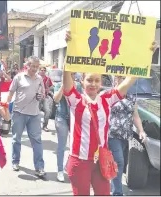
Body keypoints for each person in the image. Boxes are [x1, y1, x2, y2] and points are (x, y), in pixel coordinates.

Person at [63, 31, 157, 195]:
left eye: (97, 80)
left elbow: (130, 79)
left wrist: (146, 56)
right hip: (80, 162)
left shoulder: (106, 99)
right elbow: (66, 80)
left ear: (101, 83)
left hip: (101, 161)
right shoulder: (75, 100)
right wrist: (69, 50)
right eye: (89, 80)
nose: (93, 84)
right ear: (82, 81)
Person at [6, 56, 46, 177]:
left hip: (34, 114)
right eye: (32, 66)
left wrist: (41, 96)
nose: (34, 68)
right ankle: (15, 161)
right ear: (27, 66)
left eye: (36, 66)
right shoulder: (18, 77)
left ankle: (39, 167)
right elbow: (11, 93)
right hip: (19, 113)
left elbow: (42, 94)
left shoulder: (40, 79)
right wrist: (6, 106)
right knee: (16, 139)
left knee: (37, 141)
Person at [108, 76, 147, 196]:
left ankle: (111, 185)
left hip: (125, 136)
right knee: (119, 162)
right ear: (115, 81)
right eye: (118, 78)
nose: (121, 80)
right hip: (112, 134)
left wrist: (141, 131)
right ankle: (117, 193)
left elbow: (135, 115)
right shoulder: (109, 95)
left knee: (117, 163)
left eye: (123, 78)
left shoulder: (131, 97)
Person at [53, 72, 82, 182]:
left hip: (74, 118)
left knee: (75, 145)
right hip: (62, 117)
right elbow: (56, 99)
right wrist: (62, 86)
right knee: (62, 146)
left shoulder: (78, 86)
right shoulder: (58, 85)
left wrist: (75, 89)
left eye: (74, 75)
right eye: (70, 74)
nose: (72, 77)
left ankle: (68, 166)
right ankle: (60, 170)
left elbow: (80, 101)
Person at [38, 66, 53, 131]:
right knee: (36, 112)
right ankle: (35, 125)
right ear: (39, 71)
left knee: (48, 111)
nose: (43, 71)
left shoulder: (47, 79)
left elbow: (52, 86)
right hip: (37, 97)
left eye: (44, 70)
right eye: (42, 70)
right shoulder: (36, 77)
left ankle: (45, 126)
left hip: (45, 97)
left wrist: (48, 89)